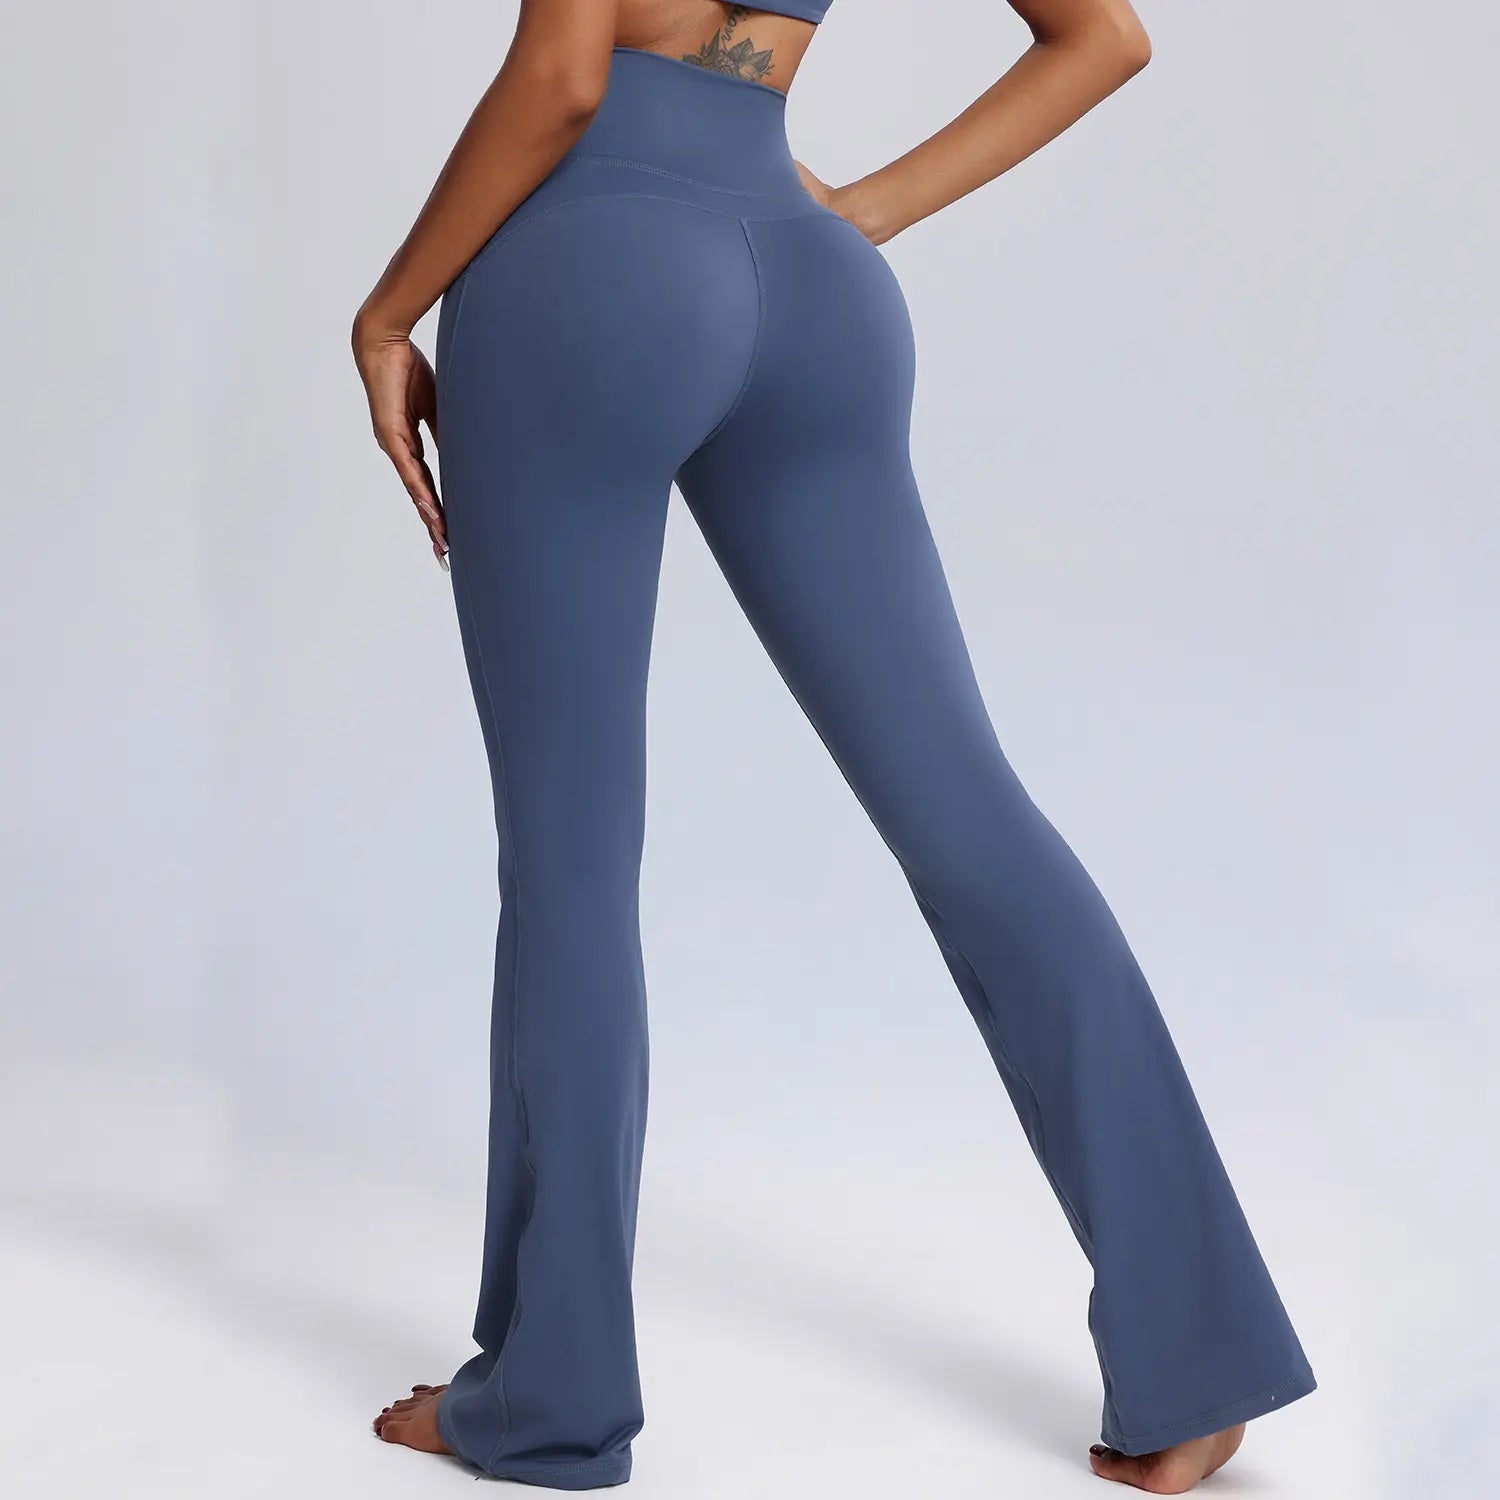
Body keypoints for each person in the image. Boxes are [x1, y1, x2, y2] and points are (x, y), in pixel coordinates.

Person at [351, 3, 1316, 1492]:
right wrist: (854, 213)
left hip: (588, 278)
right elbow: (1105, 37)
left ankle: (554, 1396)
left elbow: (562, 78)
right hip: (809, 286)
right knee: (973, 816)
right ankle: (1203, 1359)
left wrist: (386, 313)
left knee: (571, 859)